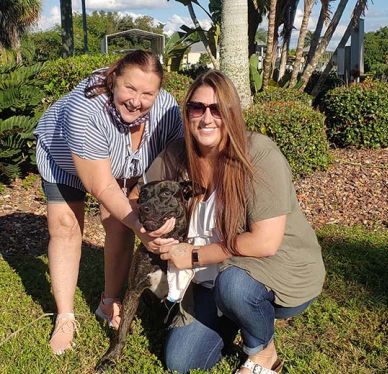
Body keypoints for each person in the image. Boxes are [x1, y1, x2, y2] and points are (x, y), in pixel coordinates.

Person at [135, 70, 325, 374]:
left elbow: (264, 242)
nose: (206, 118)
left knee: (235, 286)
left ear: (232, 113)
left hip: (275, 266)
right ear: (188, 114)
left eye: (217, 109)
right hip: (210, 278)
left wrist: (193, 255)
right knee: (181, 362)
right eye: (197, 108)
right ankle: (234, 315)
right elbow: (136, 195)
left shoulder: (258, 154)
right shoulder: (176, 154)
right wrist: (147, 232)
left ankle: (264, 355)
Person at [34, 50, 183, 354]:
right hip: (64, 160)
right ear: (114, 80)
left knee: (119, 223)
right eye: (130, 88)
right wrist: (142, 227)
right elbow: (100, 184)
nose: (136, 100)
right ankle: (65, 316)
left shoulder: (166, 108)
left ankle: (109, 300)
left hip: (121, 164)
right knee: (65, 228)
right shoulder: (85, 110)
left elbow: (177, 158)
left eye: (147, 93)